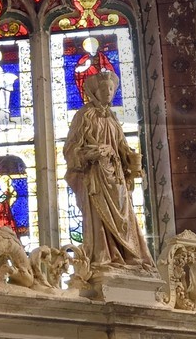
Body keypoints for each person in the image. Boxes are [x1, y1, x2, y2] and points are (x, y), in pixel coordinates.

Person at [63, 71, 152, 268]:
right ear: (95, 91)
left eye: (111, 89)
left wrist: (133, 163)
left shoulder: (112, 119)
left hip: (116, 175)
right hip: (95, 176)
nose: (108, 92)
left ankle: (130, 256)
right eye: (104, 89)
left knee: (124, 215)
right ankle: (103, 258)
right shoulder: (84, 115)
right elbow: (71, 149)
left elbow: (122, 148)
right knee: (98, 217)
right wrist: (90, 154)